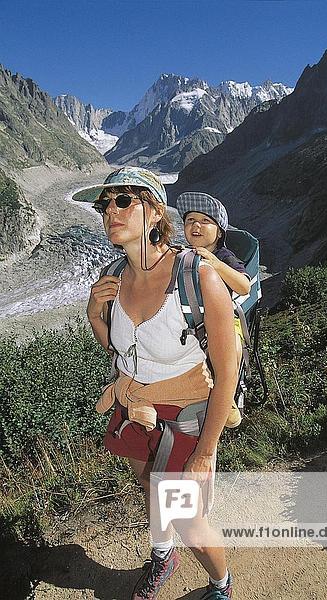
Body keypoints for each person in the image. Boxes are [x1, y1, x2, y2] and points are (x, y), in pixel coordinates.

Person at [72, 167, 236, 599]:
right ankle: (164, 557)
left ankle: (221, 585)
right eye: (104, 203)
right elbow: (126, 353)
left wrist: (205, 453)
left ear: (156, 211)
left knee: (187, 518)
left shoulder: (197, 277)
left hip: (184, 415)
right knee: (148, 485)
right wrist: (94, 316)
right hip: (136, 407)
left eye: (124, 200)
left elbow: (227, 375)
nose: (111, 211)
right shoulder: (113, 275)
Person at [176, 192, 251, 429]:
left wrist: (215, 264)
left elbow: (244, 285)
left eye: (205, 221)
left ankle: (226, 398)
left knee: (233, 348)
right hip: (189, 321)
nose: (196, 225)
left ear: (219, 231)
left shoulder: (224, 256)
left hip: (225, 320)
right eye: (190, 221)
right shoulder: (182, 256)